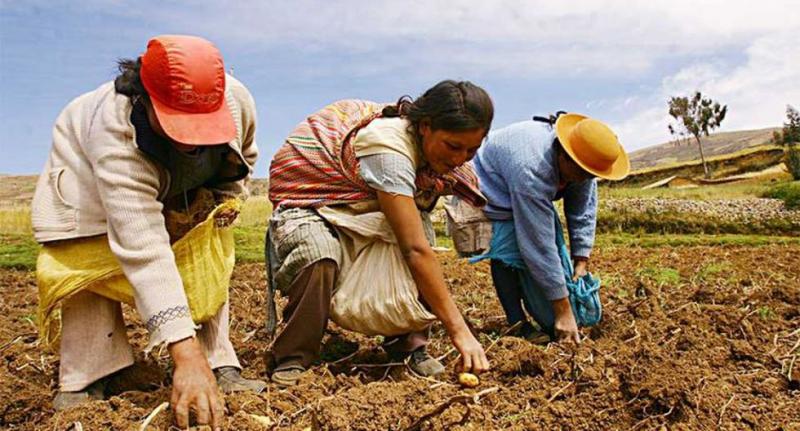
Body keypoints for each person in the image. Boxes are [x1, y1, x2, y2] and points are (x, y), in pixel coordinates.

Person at [31, 35, 264, 428]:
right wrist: (182, 356)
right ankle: (88, 375)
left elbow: (245, 153)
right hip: (87, 194)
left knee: (204, 253)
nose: (191, 143)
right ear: (147, 99)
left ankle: (218, 360)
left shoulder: (235, 99)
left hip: (184, 187)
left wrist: (227, 198)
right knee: (86, 263)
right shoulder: (115, 135)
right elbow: (144, 247)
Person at [266, 81, 494, 386]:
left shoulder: (438, 160)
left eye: (472, 150)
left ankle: (408, 346)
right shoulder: (388, 150)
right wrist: (459, 330)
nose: (459, 159)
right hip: (315, 202)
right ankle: (294, 356)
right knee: (317, 255)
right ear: (425, 126)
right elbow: (415, 250)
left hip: (367, 202)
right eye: (453, 146)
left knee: (417, 235)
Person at [471, 113, 630, 343]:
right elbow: (539, 245)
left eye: (590, 176)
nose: (585, 179)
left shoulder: (583, 163)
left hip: (523, 185)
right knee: (507, 252)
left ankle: (546, 307)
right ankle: (517, 323)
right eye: (582, 174)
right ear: (564, 157)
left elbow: (582, 208)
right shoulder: (531, 170)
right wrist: (563, 312)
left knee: (553, 269)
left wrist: (581, 259)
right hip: (491, 188)